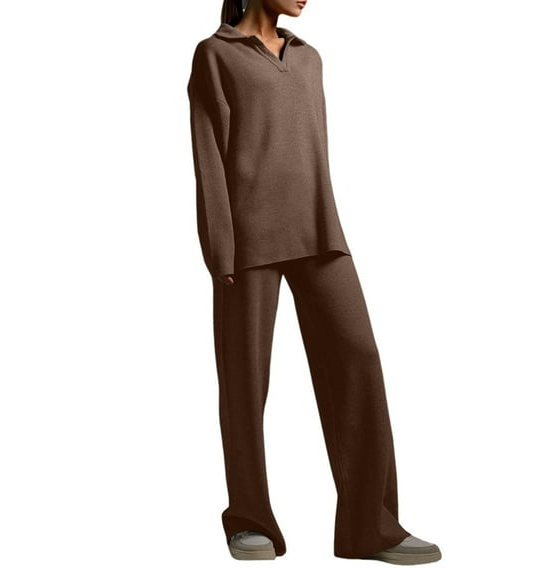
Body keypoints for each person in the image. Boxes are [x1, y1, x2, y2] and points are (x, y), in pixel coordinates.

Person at [186, 0, 442, 565]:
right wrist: (220, 246)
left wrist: (329, 220)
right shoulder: (215, 55)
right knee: (245, 381)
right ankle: (249, 521)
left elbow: (313, 152)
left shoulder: (309, 58)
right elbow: (209, 153)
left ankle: (371, 528)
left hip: (319, 230)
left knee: (359, 361)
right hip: (246, 242)